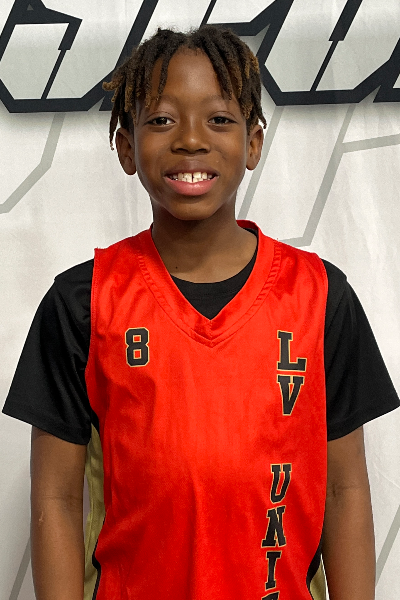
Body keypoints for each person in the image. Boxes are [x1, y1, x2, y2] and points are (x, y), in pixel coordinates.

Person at [2, 24, 399, 600]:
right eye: (162, 120)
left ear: (254, 143)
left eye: (218, 119)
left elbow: (345, 492)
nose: (191, 140)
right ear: (125, 147)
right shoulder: (82, 302)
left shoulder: (319, 296)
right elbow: (56, 501)